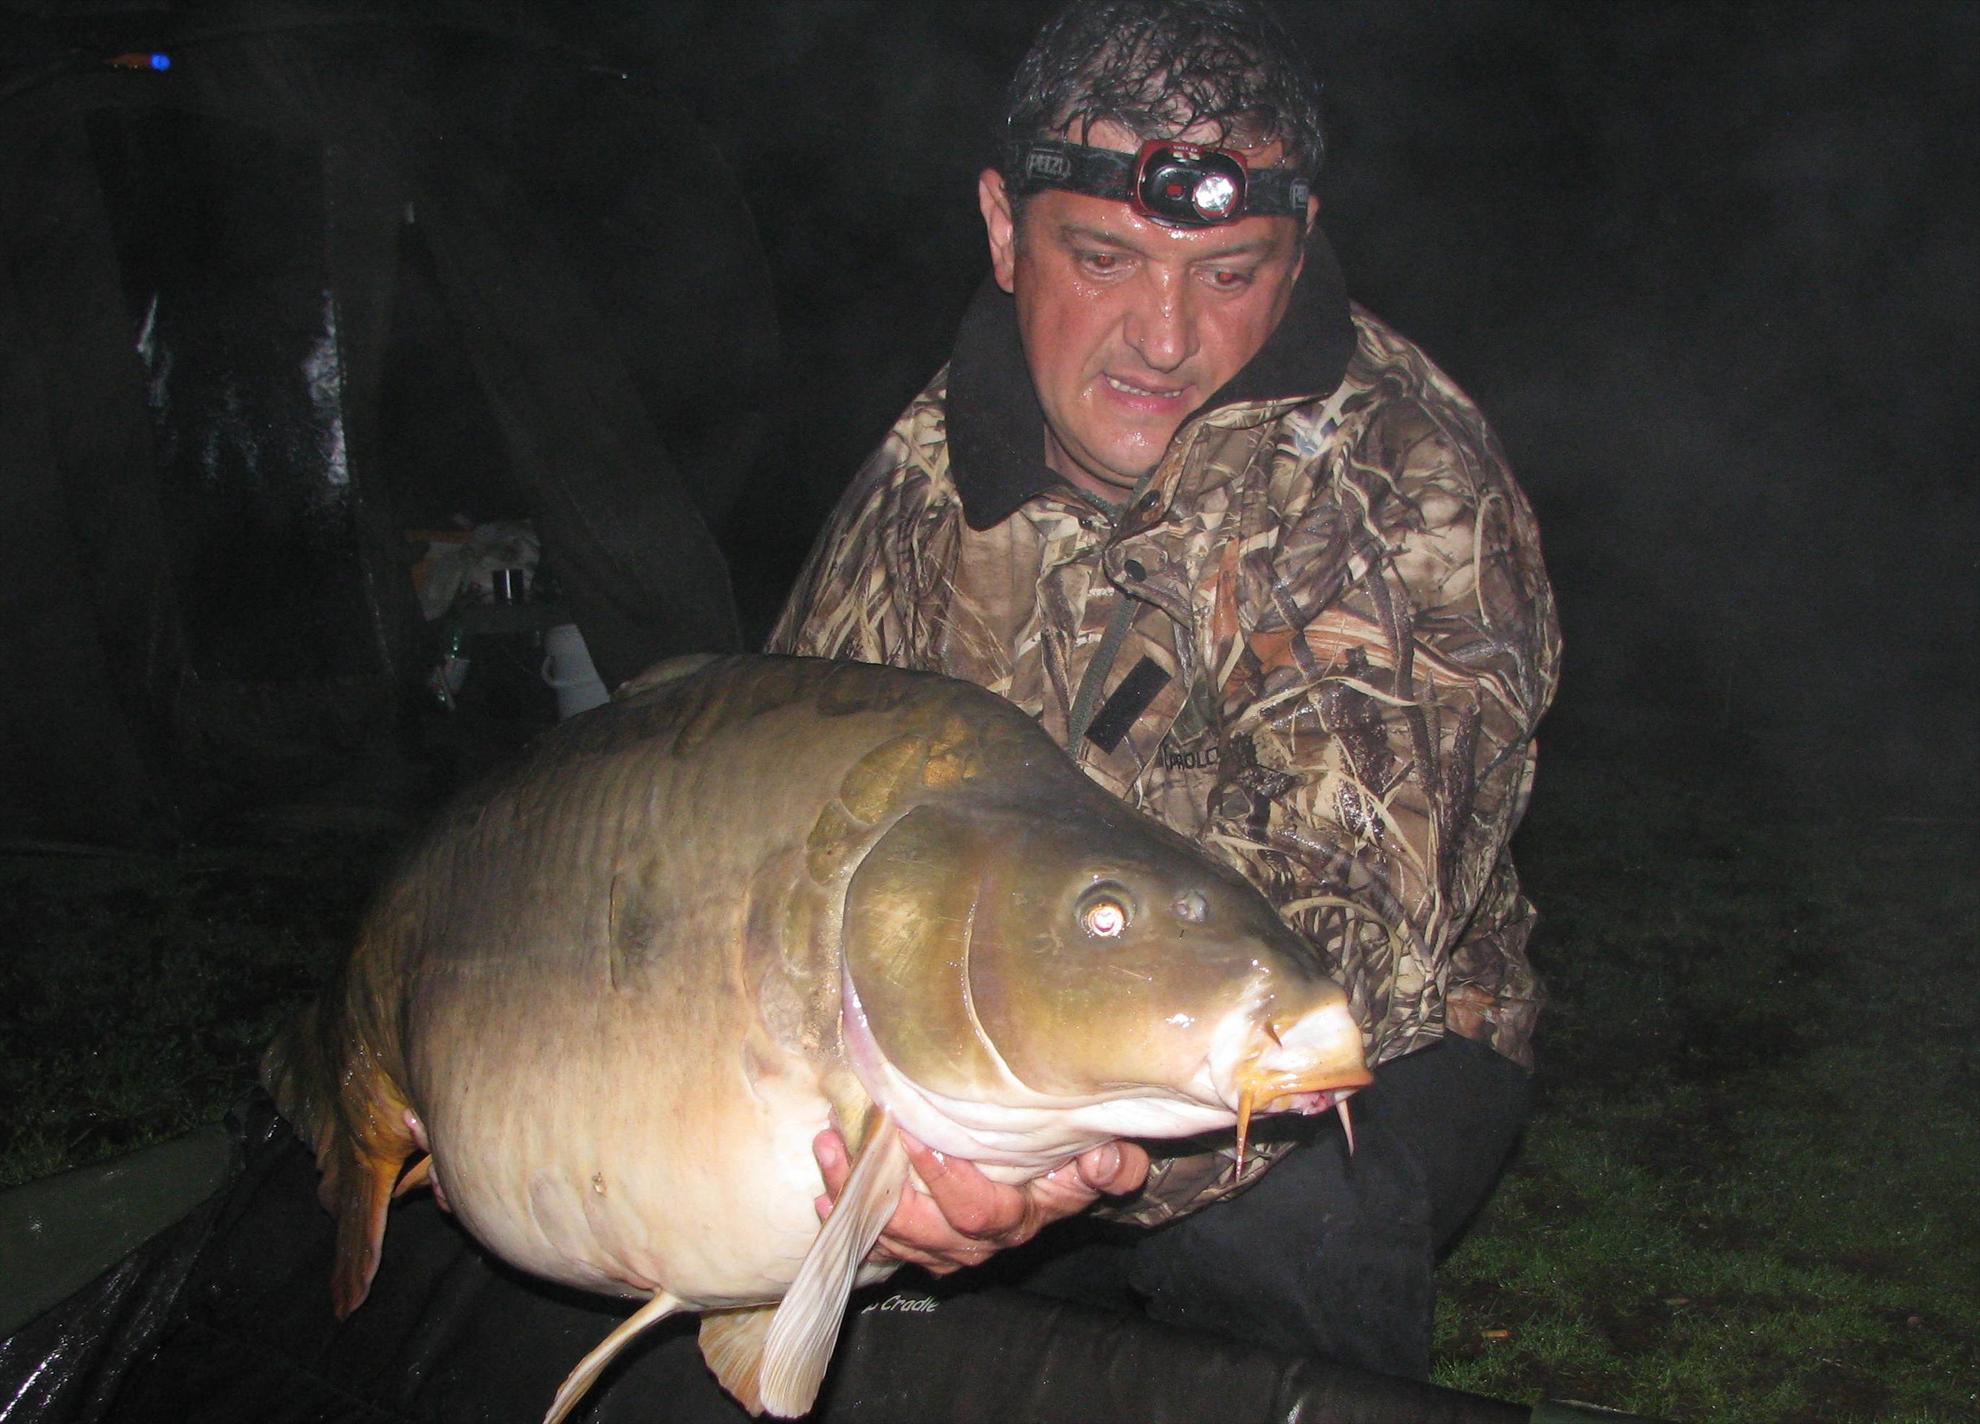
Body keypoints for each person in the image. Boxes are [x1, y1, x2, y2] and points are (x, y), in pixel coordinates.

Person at [769, 0, 1560, 1381]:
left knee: (1284, 1212)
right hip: (972, 1040)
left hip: (1359, 1040)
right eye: (1106, 258)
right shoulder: (919, 481)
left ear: (1297, 253)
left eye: (1229, 273)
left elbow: (1340, 938)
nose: (1165, 338)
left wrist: (1005, 1178)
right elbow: (785, 822)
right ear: (1006, 231)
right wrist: (858, 1152)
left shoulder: (1393, 480)